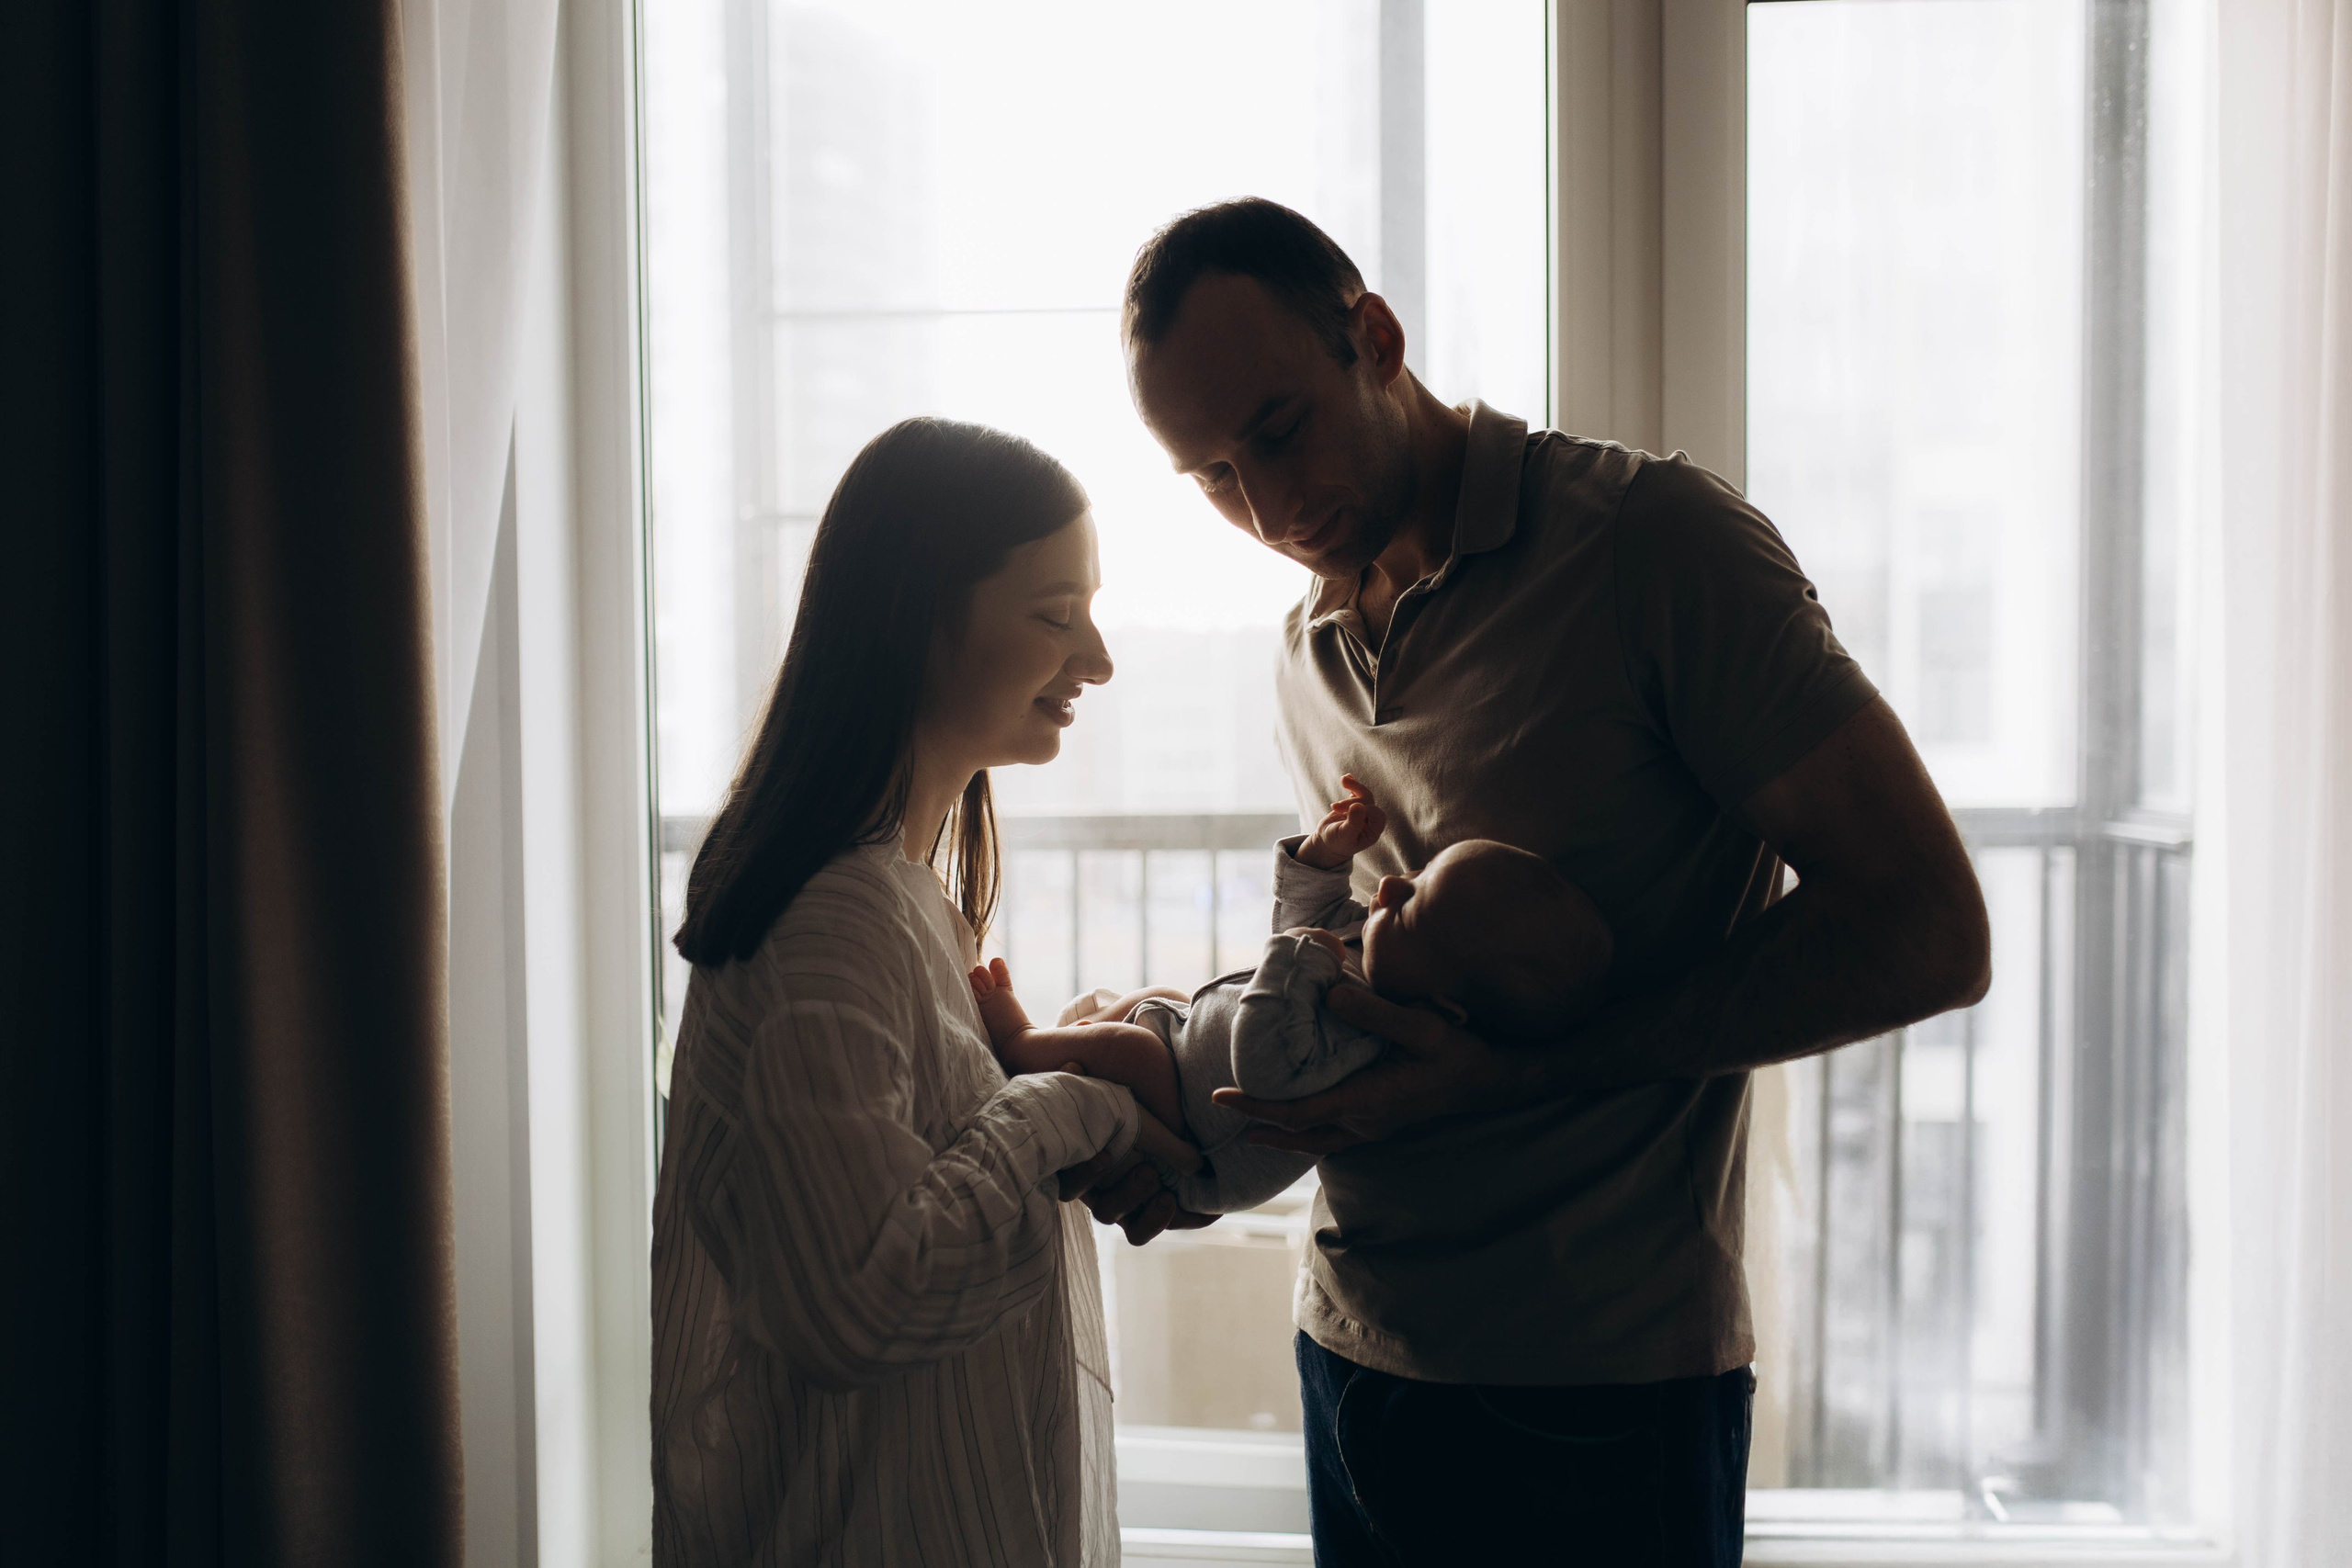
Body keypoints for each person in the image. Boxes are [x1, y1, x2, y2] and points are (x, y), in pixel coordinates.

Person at [1105, 198, 1994, 1565]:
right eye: (1215, 478)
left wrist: (1531, 1073)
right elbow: (1373, 1001)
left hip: (1595, 1398)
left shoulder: (1654, 544)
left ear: (1375, 338)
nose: (1269, 511)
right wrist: (1204, 1129)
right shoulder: (1304, 646)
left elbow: (1928, 929)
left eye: (1278, 432)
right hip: (1347, 1353)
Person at [649, 417, 1197, 1567]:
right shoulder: (836, 913)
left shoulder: (910, 902)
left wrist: (1037, 1071)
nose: (1097, 660)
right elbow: (855, 1303)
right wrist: (1069, 1107)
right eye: (1055, 614)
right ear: (915, 617)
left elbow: (916, 1182)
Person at [970, 776, 1613, 1214]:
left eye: (1415, 904)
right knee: (1158, 999)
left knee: (1134, 1051)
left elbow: (1266, 1069)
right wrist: (1323, 856)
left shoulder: (1369, 1040)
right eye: (1419, 872)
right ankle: (1073, 1046)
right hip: (1185, 1065)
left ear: (1444, 1009)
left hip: (1194, 1145)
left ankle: (1023, 1043)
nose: (1391, 886)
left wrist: (1301, 951)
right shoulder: (1379, 954)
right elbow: (1312, 910)